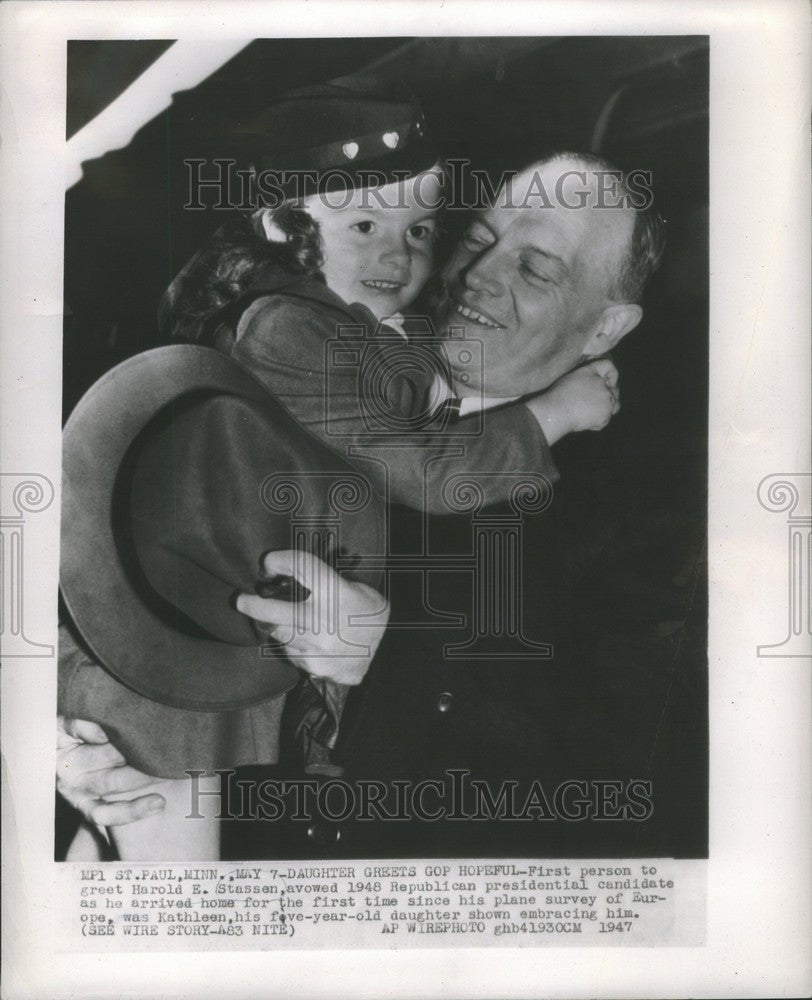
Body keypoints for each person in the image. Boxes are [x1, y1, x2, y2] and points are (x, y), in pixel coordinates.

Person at [59, 150, 660, 853]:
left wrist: (383, 658)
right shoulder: (336, 364)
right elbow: (98, 543)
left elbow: (612, 777)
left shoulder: (633, 516)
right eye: (478, 239)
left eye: (533, 268)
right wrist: (77, 740)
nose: (477, 276)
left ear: (606, 329)